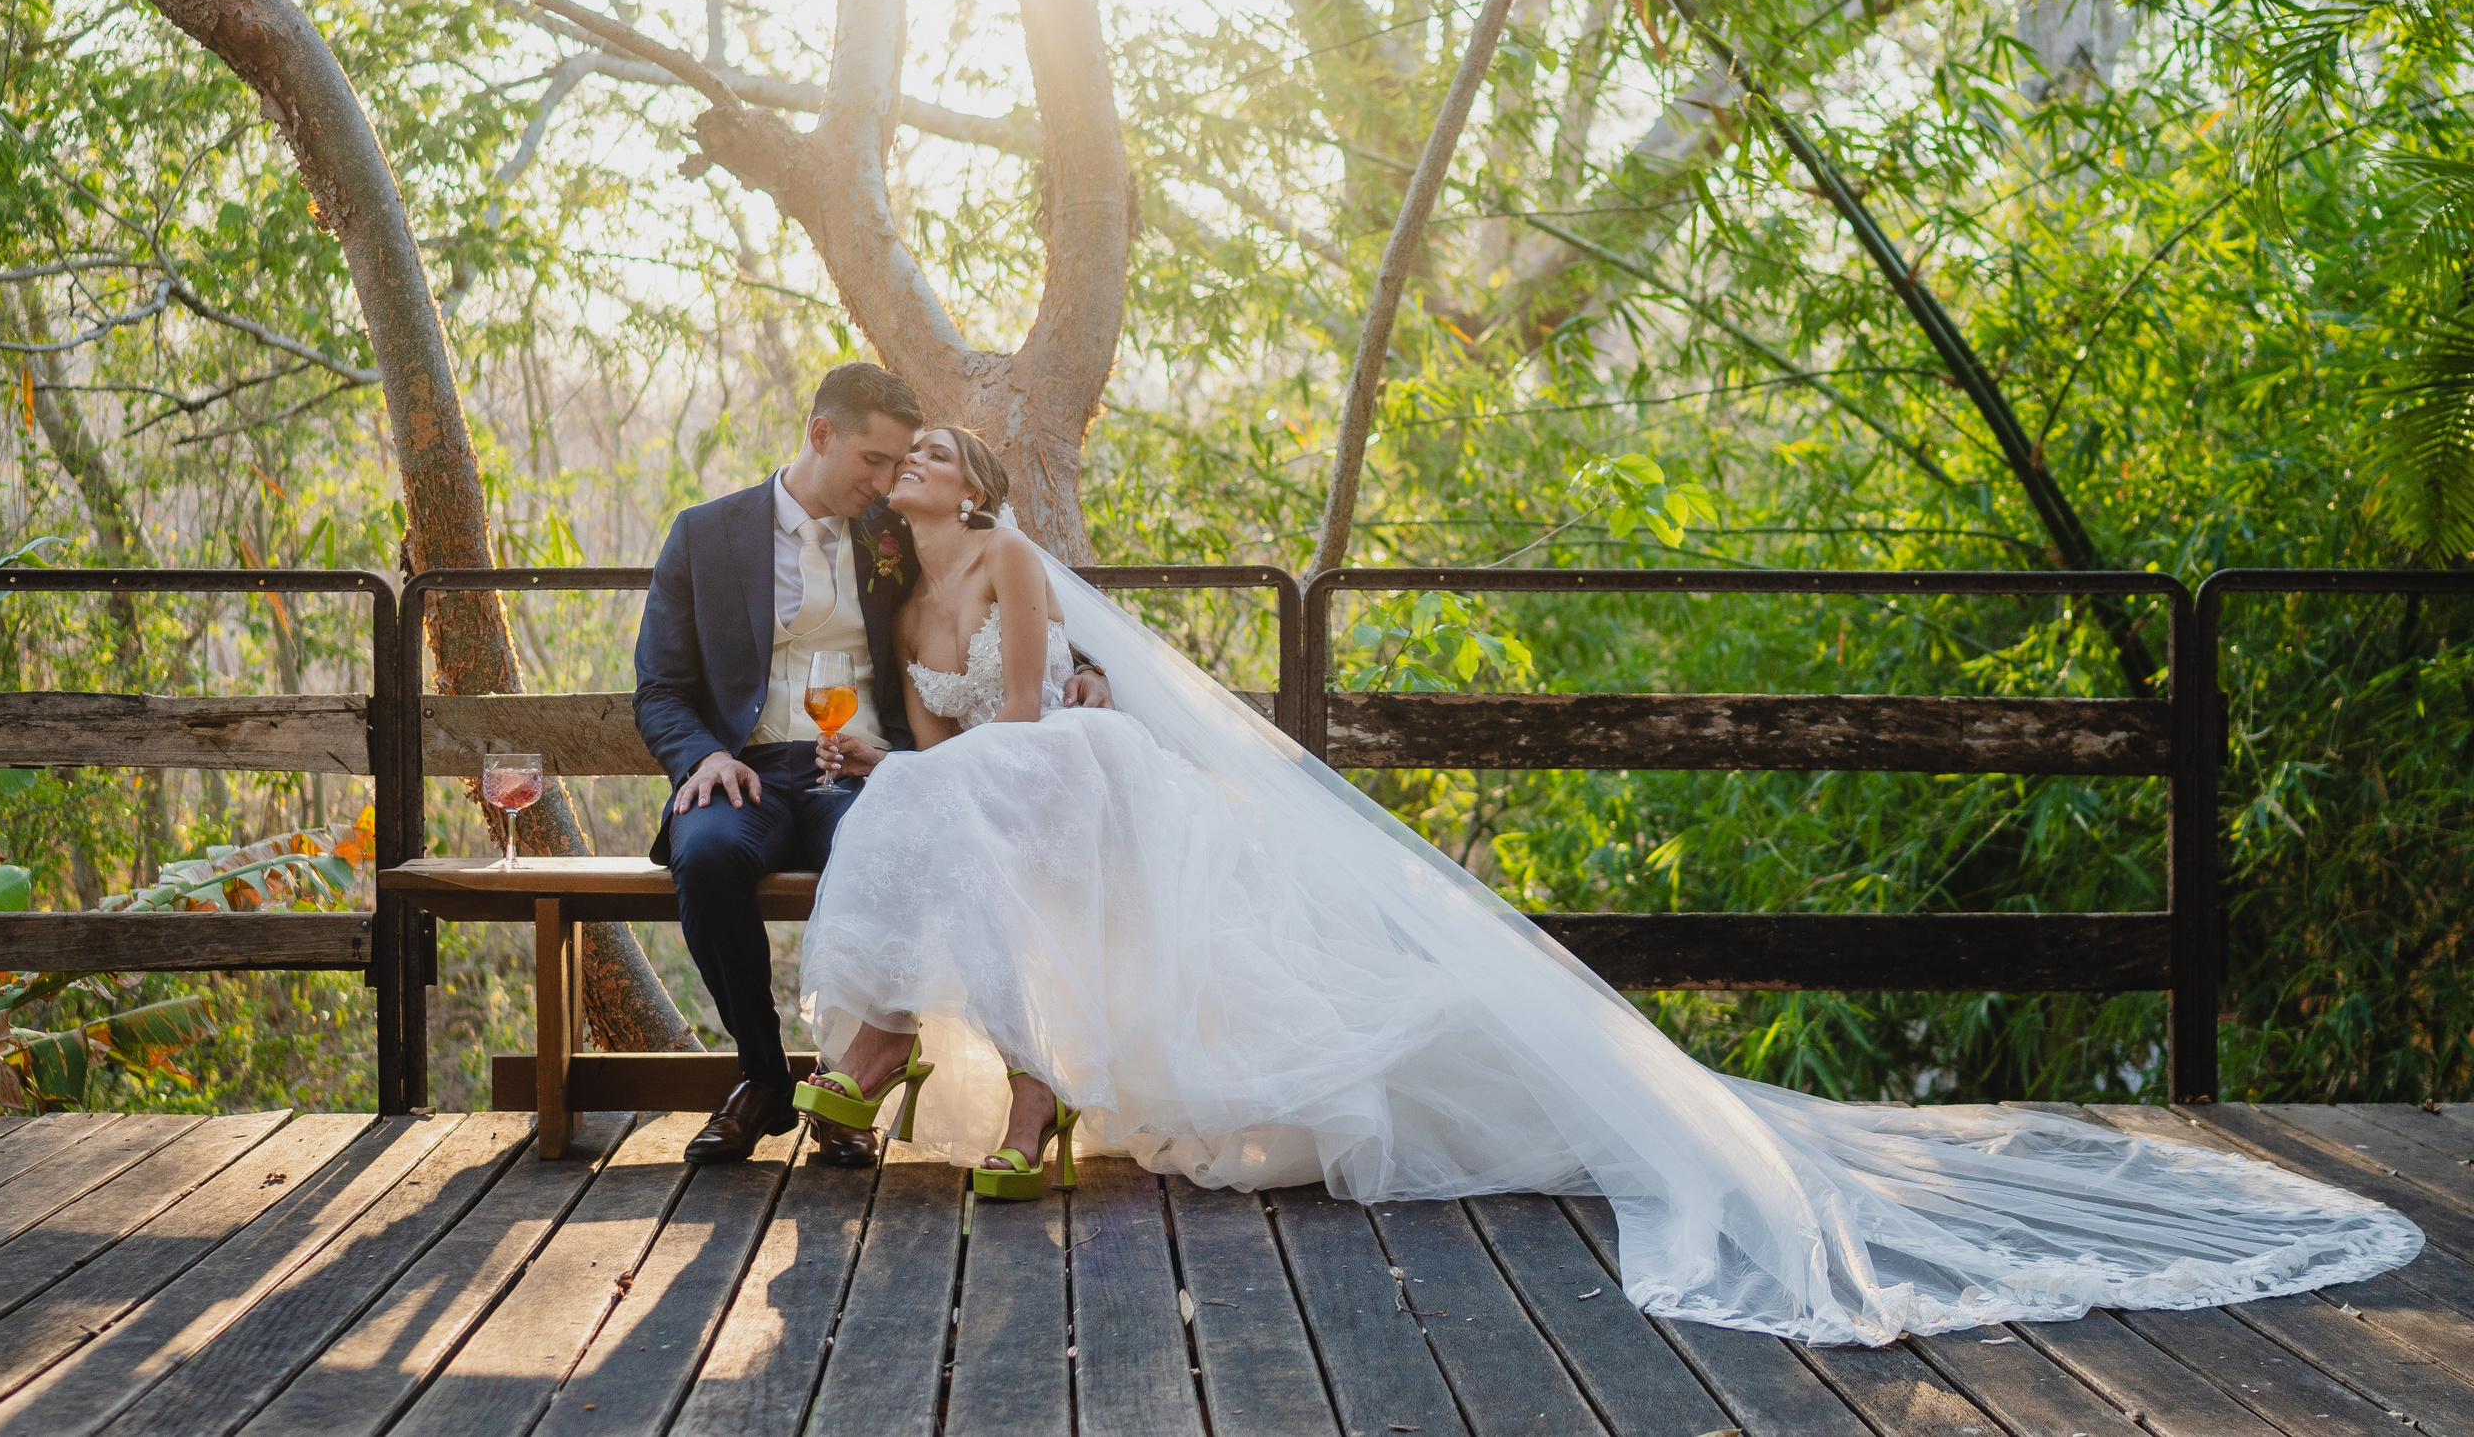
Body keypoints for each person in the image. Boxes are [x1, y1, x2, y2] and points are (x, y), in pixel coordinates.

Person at [795, 424, 2426, 1344]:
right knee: (915, 808)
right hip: (1028, 792)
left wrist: (932, 750)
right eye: (909, 458)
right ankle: (939, 1075)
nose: (917, 463)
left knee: (946, 798)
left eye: (938, 453)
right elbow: (933, 735)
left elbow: (1021, 726)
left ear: (979, 490)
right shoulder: (906, 598)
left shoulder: (1002, 565)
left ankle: (913, 1073)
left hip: (1076, 777)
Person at [631, 365, 1111, 1168]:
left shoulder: (889, 532)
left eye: (900, 465)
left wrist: (1088, 665)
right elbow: (659, 688)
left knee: (909, 842)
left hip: (864, 772)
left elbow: (996, 592)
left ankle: (860, 1071)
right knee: (706, 855)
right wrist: (703, 755)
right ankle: (762, 1077)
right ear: (822, 436)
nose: (888, 481)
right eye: (874, 461)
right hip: (744, 773)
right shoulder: (704, 535)